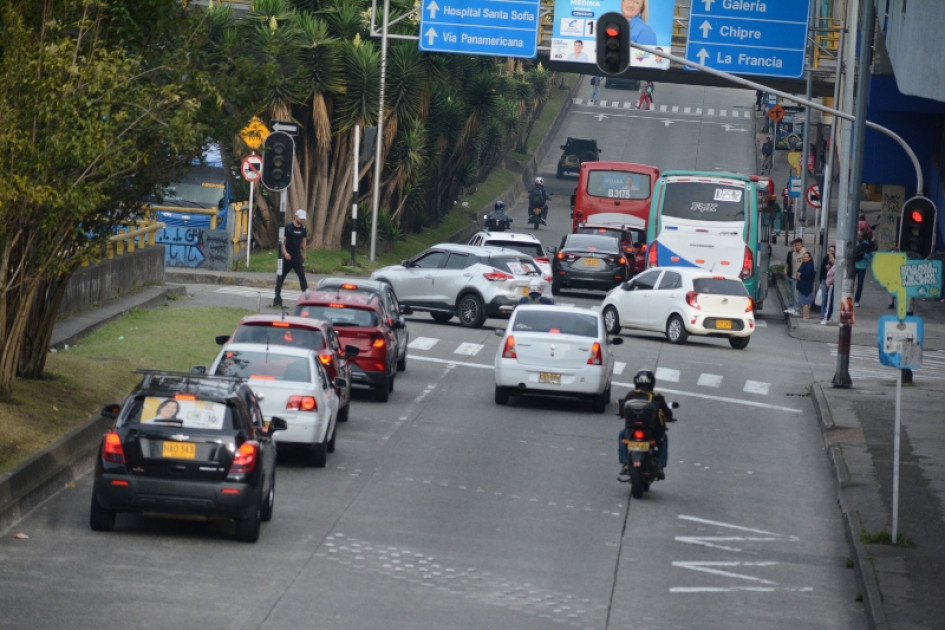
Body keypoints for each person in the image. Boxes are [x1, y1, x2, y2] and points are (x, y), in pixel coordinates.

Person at [617, 369, 675, 479]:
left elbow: (622, 410)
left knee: (621, 435)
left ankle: (624, 462)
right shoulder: (657, 396)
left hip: (632, 431)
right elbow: (668, 413)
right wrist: (670, 418)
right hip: (652, 433)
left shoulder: (631, 394)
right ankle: (660, 464)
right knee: (664, 439)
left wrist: (621, 414)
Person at [273, 209, 309, 308]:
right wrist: (285, 253)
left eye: (303, 219)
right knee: (281, 277)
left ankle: (306, 298)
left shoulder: (303, 228)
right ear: (295, 216)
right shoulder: (288, 227)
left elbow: (303, 241)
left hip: (297, 257)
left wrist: (304, 253)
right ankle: (277, 298)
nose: (302, 220)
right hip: (288, 256)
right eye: (300, 218)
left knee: (302, 277)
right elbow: (282, 242)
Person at [784, 237, 807, 316]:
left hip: (801, 277)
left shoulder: (804, 253)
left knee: (798, 294)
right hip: (794, 276)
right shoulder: (793, 254)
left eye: (798, 245)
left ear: (802, 245)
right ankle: (794, 308)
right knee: (793, 293)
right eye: (796, 245)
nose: (797, 247)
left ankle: (798, 310)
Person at [853, 229, 872, 306]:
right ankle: (849, 297)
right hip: (854, 266)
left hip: (862, 267)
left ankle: (857, 300)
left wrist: (862, 254)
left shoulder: (866, 245)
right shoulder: (854, 243)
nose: (859, 237)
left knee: (860, 285)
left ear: (863, 236)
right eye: (858, 235)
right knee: (850, 283)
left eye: (861, 236)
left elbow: (869, 256)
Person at [796, 251, 816, 319]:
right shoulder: (803, 264)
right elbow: (798, 271)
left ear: (810, 258)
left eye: (806, 257)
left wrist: (800, 274)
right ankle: (806, 315)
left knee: (805, 302)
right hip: (802, 286)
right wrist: (798, 274)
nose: (805, 258)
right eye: (804, 257)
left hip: (806, 286)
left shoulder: (810, 265)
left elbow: (807, 274)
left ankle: (805, 316)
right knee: (804, 302)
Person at [817, 244, 836, 315]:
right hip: (824, 280)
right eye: (829, 251)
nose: (830, 253)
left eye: (832, 251)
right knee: (824, 298)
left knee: (829, 299)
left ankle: (828, 314)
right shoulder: (826, 258)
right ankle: (823, 314)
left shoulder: (835, 261)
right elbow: (823, 270)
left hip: (831, 282)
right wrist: (820, 282)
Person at [820, 251, 836, 324]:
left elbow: (835, 276)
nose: (830, 259)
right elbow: (827, 269)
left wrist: (830, 283)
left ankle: (827, 318)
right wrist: (830, 263)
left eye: (832, 258)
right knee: (828, 301)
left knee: (830, 302)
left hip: (832, 286)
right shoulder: (832, 265)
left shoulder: (836, 266)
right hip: (829, 285)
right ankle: (827, 316)